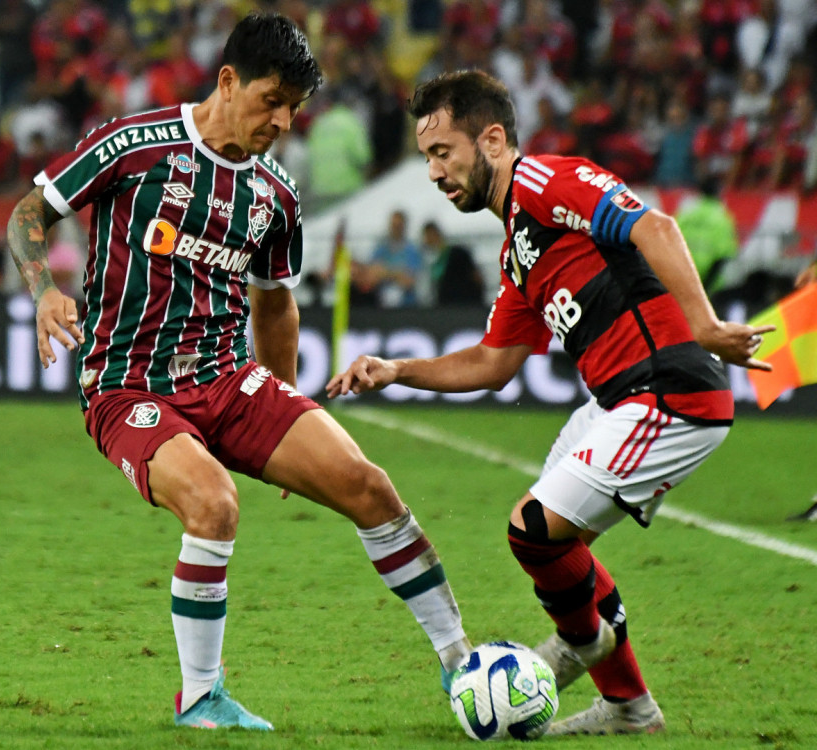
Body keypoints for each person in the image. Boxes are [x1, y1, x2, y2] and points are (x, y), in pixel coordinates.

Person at [6, 13, 471, 731]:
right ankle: (200, 696)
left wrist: (286, 405)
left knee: (368, 486)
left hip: (229, 381)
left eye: (293, 108)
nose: (283, 120)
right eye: (271, 100)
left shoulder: (275, 195)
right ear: (227, 80)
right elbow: (27, 213)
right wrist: (44, 292)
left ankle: (460, 665)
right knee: (215, 504)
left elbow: (275, 306)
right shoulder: (133, 146)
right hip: (130, 385)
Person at [327, 70, 772, 737]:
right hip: (616, 401)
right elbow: (493, 361)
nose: (433, 171)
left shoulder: (542, 182)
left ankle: (583, 649)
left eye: (443, 152)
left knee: (533, 529)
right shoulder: (516, 250)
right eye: (426, 157)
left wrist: (704, 325)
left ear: (494, 139)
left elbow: (657, 227)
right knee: (562, 548)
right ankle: (627, 704)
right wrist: (398, 369)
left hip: (668, 390)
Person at [675, 176, 738, 295]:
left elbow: (669, 247)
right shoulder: (723, 219)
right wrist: (704, 289)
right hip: (709, 286)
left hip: (682, 282)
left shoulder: (685, 214)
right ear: (719, 192)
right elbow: (722, 257)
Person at [367, 209, 425, 306]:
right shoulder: (381, 249)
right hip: (380, 304)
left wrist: (386, 273)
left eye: (399, 226)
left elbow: (410, 281)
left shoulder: (412, 251)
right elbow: (372, 275)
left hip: (407, 305)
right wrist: (397, 274)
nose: (396, 229)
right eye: (394, 225)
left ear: (404, 226)